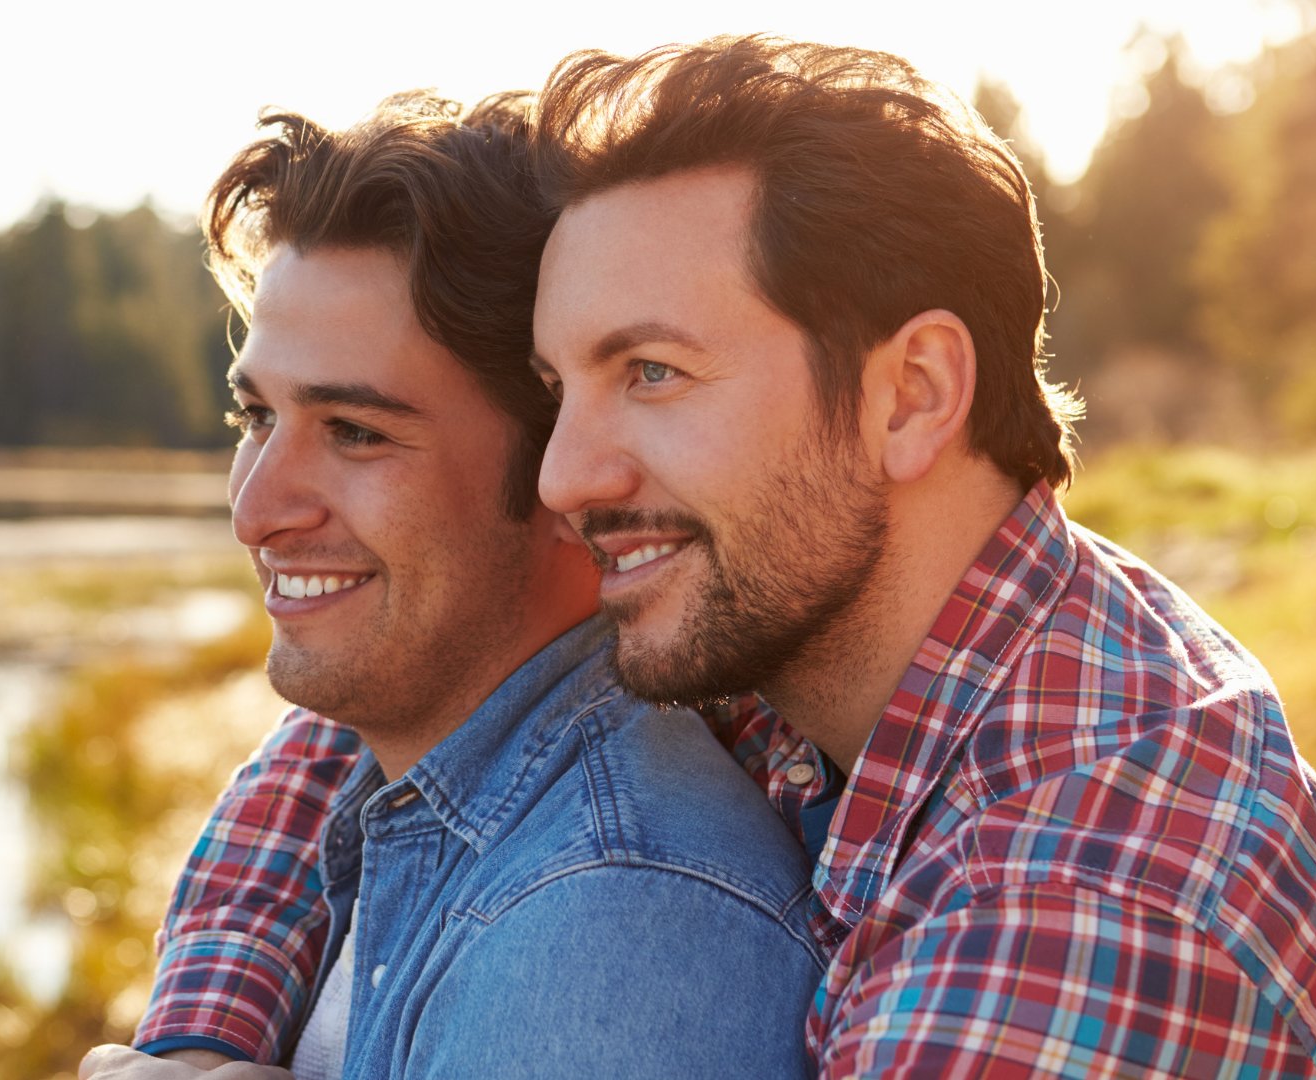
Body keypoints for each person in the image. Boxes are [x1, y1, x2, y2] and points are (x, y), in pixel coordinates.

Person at [95, 35, 1316, 1079]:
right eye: (559, 388)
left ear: (911, 394)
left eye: (652, 372)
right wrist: (201, 1035)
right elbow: (407, 706)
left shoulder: (1074, 906)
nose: (563, 476)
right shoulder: (820, 622)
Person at [84, 89, 825, 1080]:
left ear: (565, 470)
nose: (258, 510)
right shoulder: (387, 771)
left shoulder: (611, 926)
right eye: (255, 419)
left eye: (356, 433)